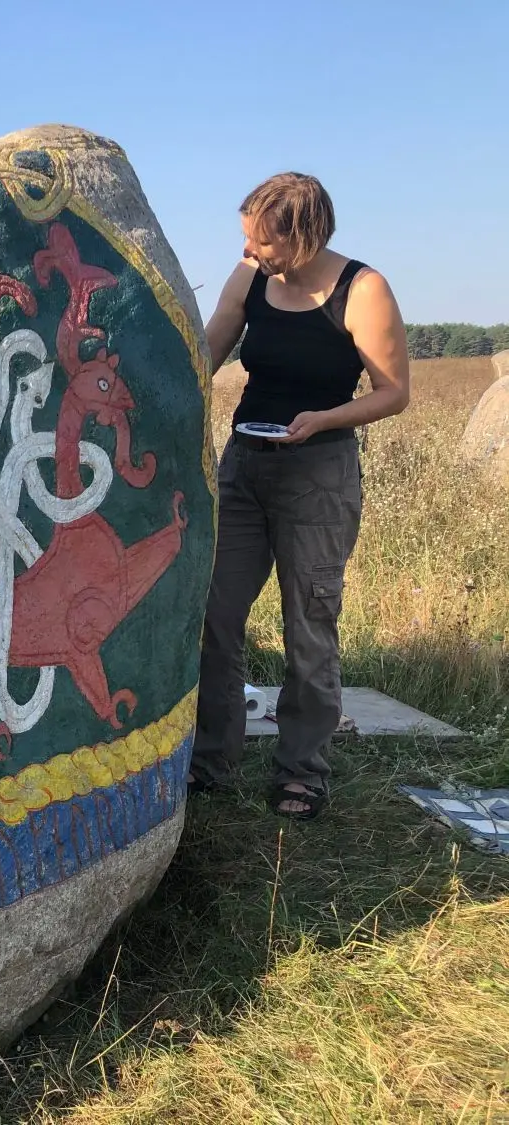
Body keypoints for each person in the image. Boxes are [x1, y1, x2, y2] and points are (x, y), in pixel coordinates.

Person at [192, 173, 409, 819]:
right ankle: (210, 761)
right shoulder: (249, 277)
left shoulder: (361, 289)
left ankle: (302, 771)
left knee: (308, 625)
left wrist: (323, 417)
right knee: (215, 615)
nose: (251, 251)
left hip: (318, 471)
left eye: (263, 242)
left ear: (305, 235)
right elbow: (207, 351)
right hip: (243, 469)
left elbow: (393, 391)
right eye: (246, 238)